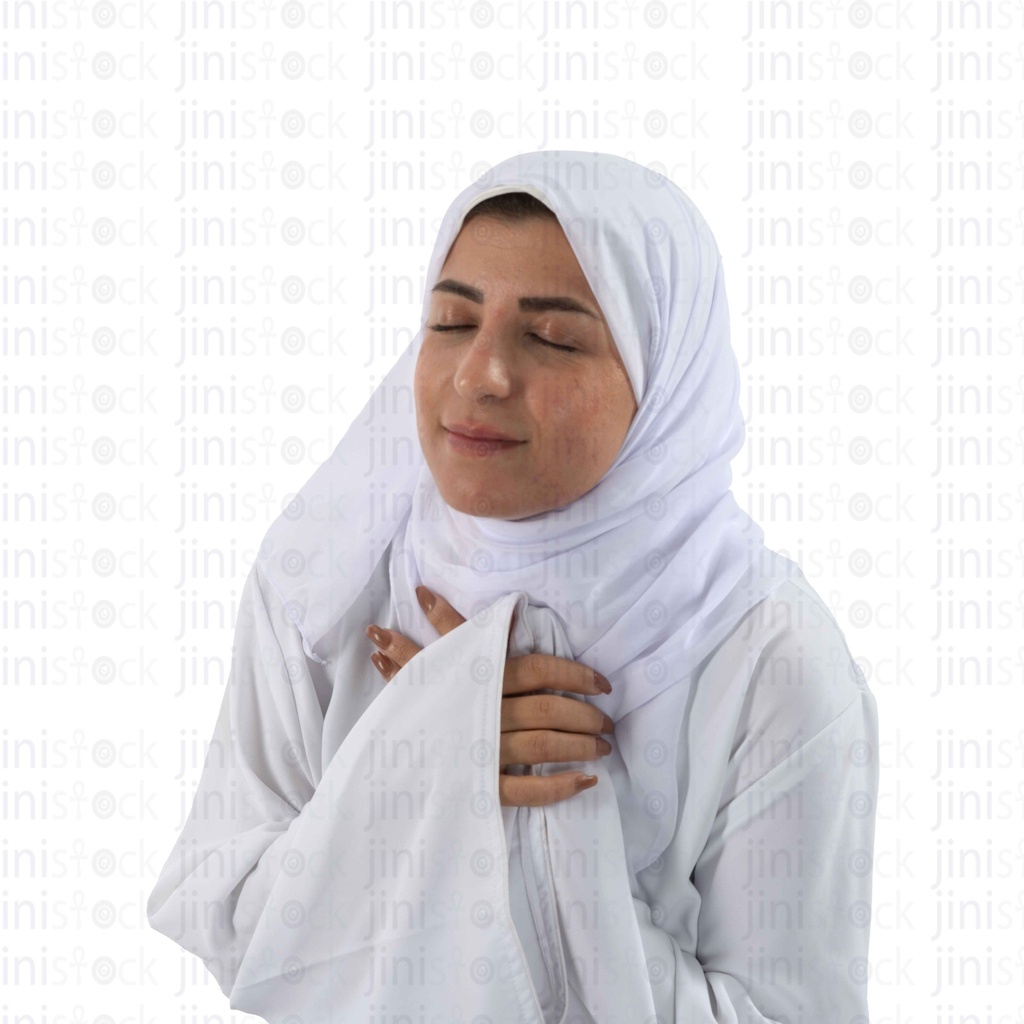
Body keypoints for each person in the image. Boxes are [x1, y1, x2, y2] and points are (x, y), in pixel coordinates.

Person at [147, 150, 880, 1023]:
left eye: (553, 337)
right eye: (452, 323)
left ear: (663, 382)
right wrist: (428, 751)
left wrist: (545, 817)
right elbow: (224, 919)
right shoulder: (327, 581)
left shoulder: (769, 658)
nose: (480, 374)